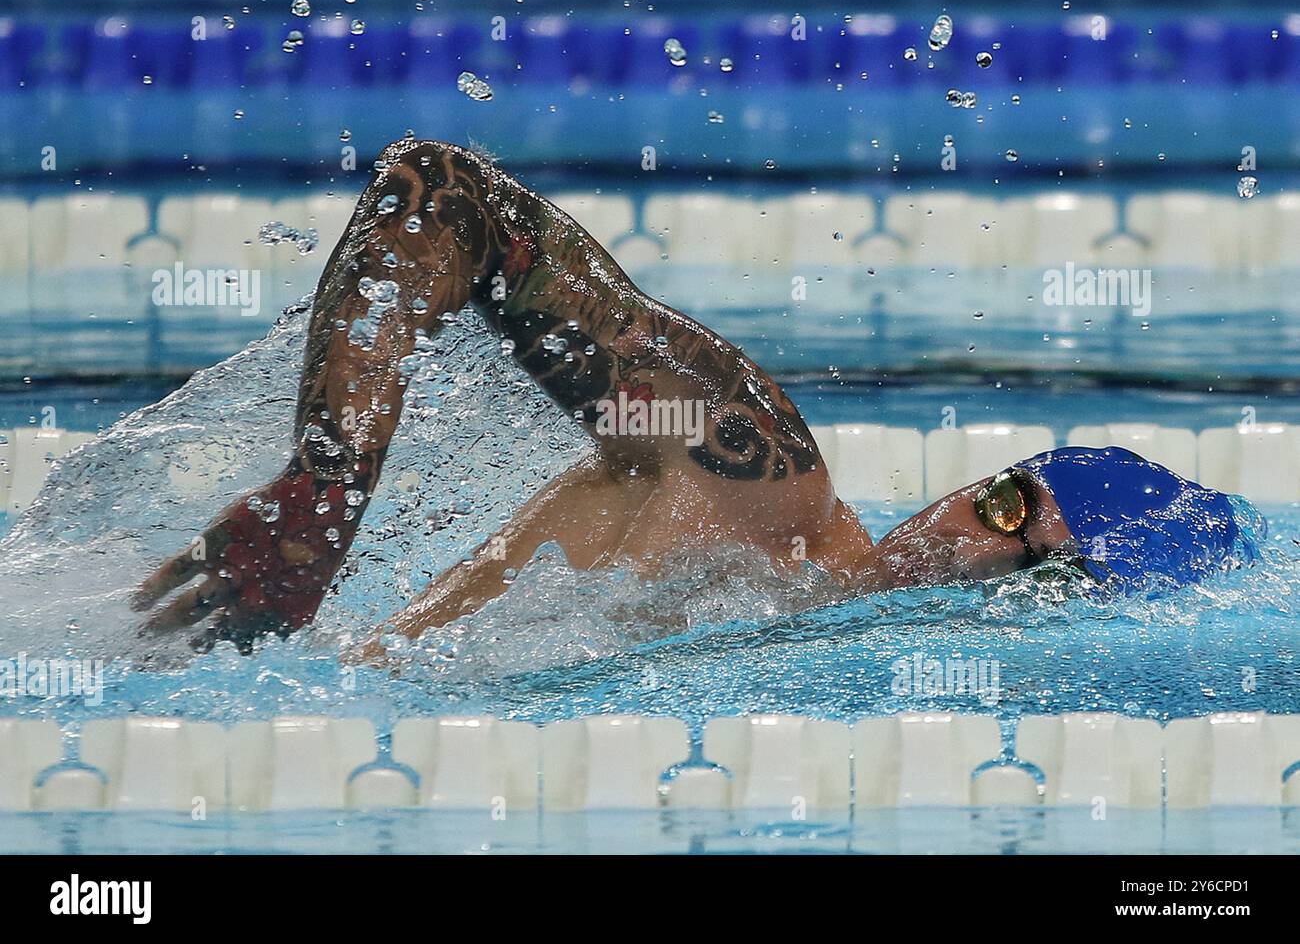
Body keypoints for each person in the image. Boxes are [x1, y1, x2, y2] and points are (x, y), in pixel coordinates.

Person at [133, 138, 1255, 653]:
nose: (975, 548)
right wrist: (329, 487)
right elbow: (443, 198)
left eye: (1041, 576)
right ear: (976, 483)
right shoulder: (753, 483)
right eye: (1006, 506)